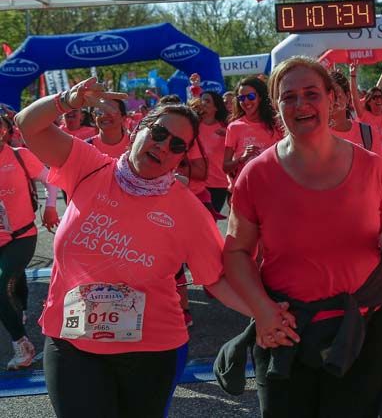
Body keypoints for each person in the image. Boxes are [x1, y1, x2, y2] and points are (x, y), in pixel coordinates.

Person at [14, 77, 251, 418]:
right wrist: (67, 100)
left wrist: (266, 315)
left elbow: (217, 279)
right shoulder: (89, 166)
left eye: (176, 146)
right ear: (138, 128)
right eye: (158, 133)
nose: (163, 147)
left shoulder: (187, 209)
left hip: (151, 350)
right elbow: (28, 125)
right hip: (72, 344)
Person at [220, 57, 382, 417]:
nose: (301, 104)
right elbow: (236, 253)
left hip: (364, 330)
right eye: (288, 97)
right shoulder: (256, 175)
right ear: (276, 106)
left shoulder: (371, 166)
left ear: (332, 99)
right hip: (286, 330)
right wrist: (262, 311)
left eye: (311, 93)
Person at [0, 115, 59, 370]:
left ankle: (23, 346)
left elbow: (51, 179)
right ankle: (18, 310)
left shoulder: (20, 155)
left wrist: (50, 208)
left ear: (5, 130)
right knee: (12, 281)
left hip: (21, 236)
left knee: (1, 284)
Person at [223, 77, 280, 182]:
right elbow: (225, 167)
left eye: (251, 96)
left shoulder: (277, 124)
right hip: (245, 187)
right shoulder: (234, 127)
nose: (246, 101)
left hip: (272, 186)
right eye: (241, 98)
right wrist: (242, 158)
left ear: (260, 97)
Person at [328, 70, 382, 161]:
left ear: (347, 97)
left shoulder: (367, 133)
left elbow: (381, 170)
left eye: (336, 94)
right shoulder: (314, 135)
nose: (332, 99)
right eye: (327, 95)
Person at [349, 63, 382, 157]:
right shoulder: (364, 115)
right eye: (375, 98)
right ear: (368, 102)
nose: (378, 100)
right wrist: (352, 76)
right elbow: (354, 97)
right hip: (370, 159)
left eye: (381, 97)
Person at [196, 91, 231, 215]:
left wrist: (228, 134)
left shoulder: (227, 127)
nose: (203, 103)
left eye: (207, 101)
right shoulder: (193, 126)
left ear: (216, 107)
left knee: (210, 222)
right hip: (196, 183)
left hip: (218, 184)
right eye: (201, 100)